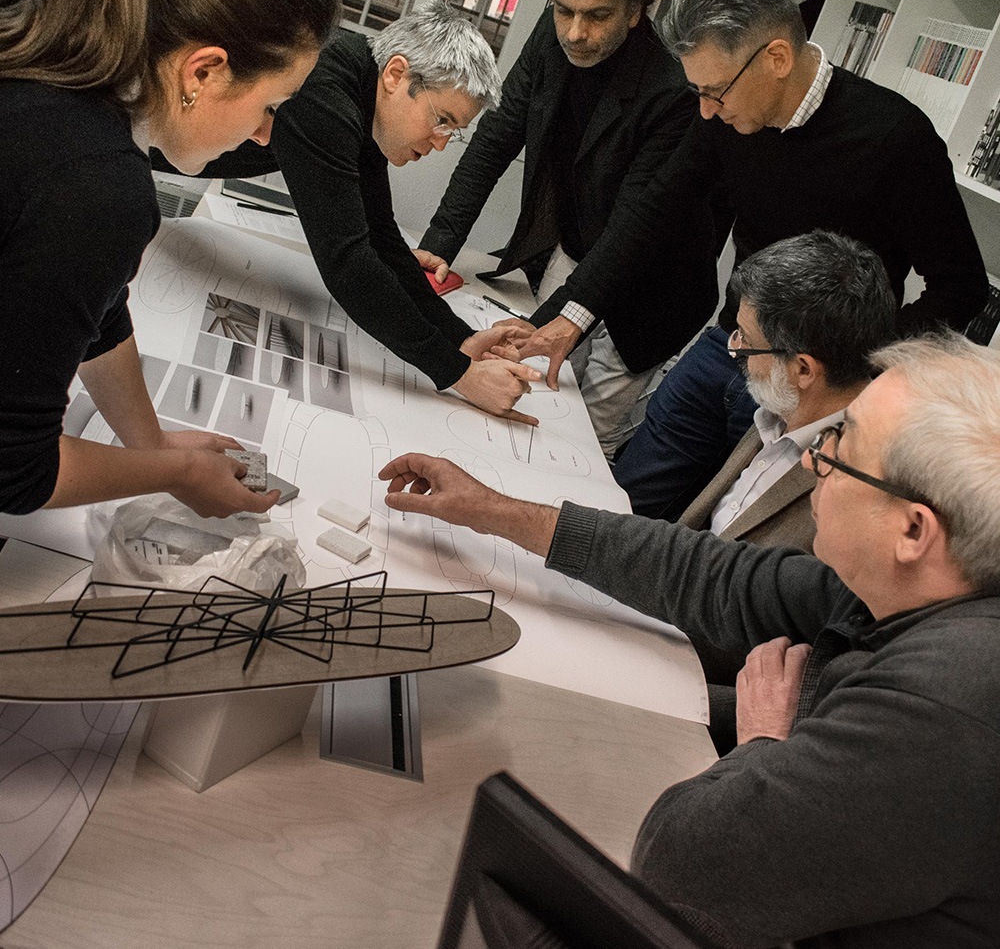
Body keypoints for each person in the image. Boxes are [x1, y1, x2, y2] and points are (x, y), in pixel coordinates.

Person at [378, 331, 1000, 947]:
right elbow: (713, 576)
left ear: (914, 530)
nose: (812, 461)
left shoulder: (949, 705)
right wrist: (492, 509)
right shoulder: (924, 588)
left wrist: (763, 743)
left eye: (840, 450)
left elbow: (684, 865)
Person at [613, 0, 989, 519]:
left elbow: (961, 287)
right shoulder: (729, 112)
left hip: (811, 389)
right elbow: (657, 205)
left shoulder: (897, 139)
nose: (705, 112)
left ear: (777, 59)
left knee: (732, 539)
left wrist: (853, 363)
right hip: (728, 347)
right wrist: (569, 316)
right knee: (626, 501)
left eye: (715, 91)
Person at [0, 0, 338, 518]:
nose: (266, 134)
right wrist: (174, 470)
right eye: (272, 103)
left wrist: (149, 442)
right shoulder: (96, 181)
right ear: (203, 71)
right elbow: (13, 468)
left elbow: (91, 309)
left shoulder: (41, 68)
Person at [415, 0, 717, 457]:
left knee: (578, 440)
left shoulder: (672, 91)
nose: (575, 32)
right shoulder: (553, 35)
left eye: (597, 16)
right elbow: (498, 137)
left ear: (635, 12)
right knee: (531, 391)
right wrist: (440, 243)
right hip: (575, 248)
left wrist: (551, 321)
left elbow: (633, 230)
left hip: (650, 288)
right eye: (564, 10)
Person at [161, 1, 543, 426]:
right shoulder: (326, 96)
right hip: (143, 142)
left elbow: (381, 238)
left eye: (452, 132)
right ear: (396, 75)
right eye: (441, 120)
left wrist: (461, 338)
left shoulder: (361, 89)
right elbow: (348, 262)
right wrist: (459, 374)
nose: (439, 143)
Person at [679, 229, 895, 554]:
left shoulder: (859, 487)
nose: (734, 349)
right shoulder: (784, 405)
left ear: (803, 369)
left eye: (747, 341)